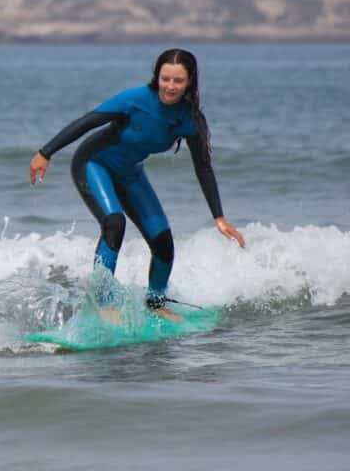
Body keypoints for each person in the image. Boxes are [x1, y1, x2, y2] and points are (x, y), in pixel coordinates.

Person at [28, 49, 244, 321]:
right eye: (166, 79)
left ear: (190, 82)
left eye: (178, 81)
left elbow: (203, 167)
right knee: (115, 224)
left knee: (163, 242)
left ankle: (155, 304)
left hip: (130, 173)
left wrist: (219, 217)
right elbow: (87, 122)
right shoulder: (135, 99)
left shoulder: (189, 119)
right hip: (94, 164)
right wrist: (45, 152)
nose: (171, 86)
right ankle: (103, 302)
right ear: (157, 77)